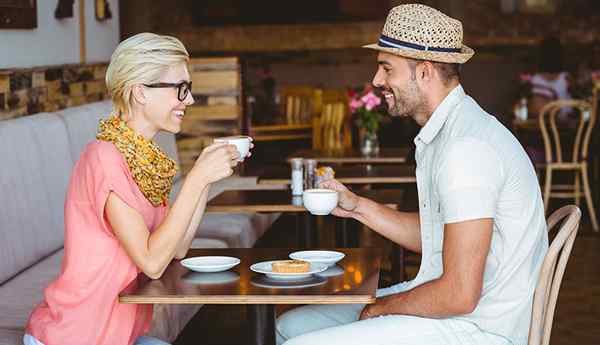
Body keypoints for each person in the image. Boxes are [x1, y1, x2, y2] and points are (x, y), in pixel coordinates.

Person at [276, 4, 548, 345]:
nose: (377, 81)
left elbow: (460, 294)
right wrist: (357, 206)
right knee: (293, 325)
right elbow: (439, 238)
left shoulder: (466, 148)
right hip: (461, 310)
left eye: (386, 69)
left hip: (480, 328)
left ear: (424, 71)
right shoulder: (450, 132)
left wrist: (382, 308)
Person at [24, 33, 247, 345]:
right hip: (76, 336)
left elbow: (177, 248)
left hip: (118, 336)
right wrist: (196, 178)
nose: (190, 100)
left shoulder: (146, 161)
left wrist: (206, 179)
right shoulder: (104, 158)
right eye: (180, 89)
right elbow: (152, 262)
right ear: (140, 92)